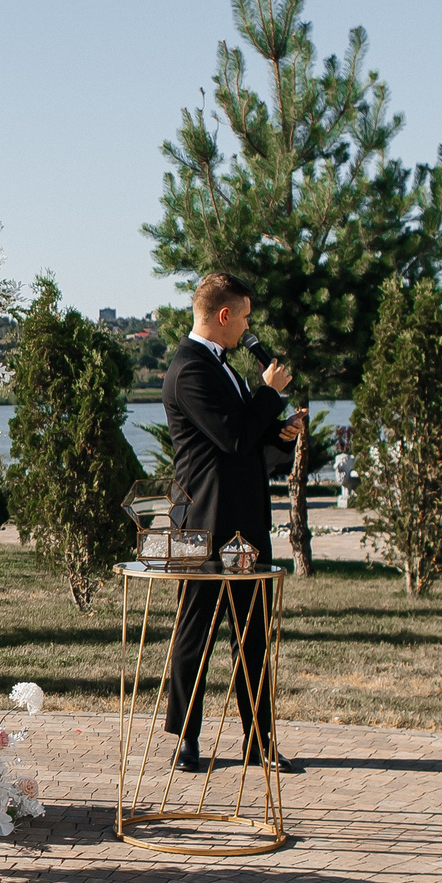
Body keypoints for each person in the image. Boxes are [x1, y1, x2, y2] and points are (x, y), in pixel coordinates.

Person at [161, 272, 297, 771]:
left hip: (246, 523)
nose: (246, 328)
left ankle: (259, 739)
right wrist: (267, 394)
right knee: (195, 631)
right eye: (243, 316)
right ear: (223, 315)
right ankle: (186, 740)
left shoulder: (225, 369)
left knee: (253, 634)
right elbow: (230, 437)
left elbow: (248, 446)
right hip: (206, 524)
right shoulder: (190, 370)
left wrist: (281, 436)